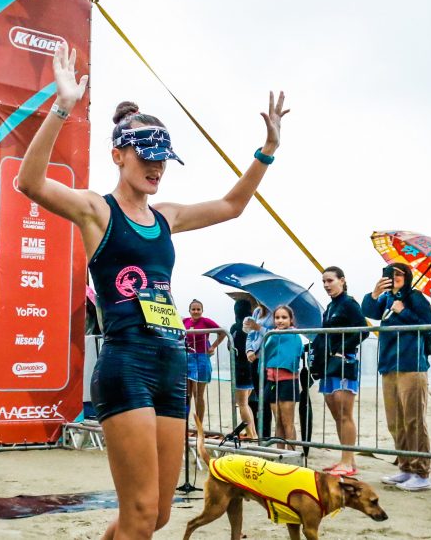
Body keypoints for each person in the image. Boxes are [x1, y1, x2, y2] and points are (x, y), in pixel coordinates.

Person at [18, 42, 287, 538]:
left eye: (164, 159)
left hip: (171, 362)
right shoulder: (97, 211)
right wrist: (61, 106)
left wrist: (266, 151)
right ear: (118, 155)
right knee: (140, 515)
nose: (157, 167)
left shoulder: (167, 217)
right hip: (127, 364)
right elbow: (29, 182)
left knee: (156, 515)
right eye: (147, 157)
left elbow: (232, 205)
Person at [362, 262, 431, 492]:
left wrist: (402, 311)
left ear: (408, 276)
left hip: (411, 364)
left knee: (414, 420)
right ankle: (405, 467)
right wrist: (374, 294)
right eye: (389, 274)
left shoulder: (415, 298)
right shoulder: (385, 299)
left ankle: (421, 471)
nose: (393, 277)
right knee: (395, 421)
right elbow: (368, 311)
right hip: (388, 365)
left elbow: (427, 325)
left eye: (398, 274)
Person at [310, 266, 367, 477]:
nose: (326, 285)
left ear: (342, 280)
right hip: (328, 365)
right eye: (323, 281)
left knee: (345, 413)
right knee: (336, 414)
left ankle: (347, 461)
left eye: (330, 280)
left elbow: (363, 330)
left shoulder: (349, 303)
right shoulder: (331, 306)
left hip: (344, 363)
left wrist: (342, 351)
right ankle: (347, 460)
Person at [250, 305, 303, 451]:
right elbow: (264, 354)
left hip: (287, 381)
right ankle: (280, 453)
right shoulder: (271, 335)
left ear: (291, 320)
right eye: (277, 317)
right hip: (272, 380)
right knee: (278, 421)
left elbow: (294, 355)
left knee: (288, 422)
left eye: (284, 317)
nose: (280, 321)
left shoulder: (294, 335)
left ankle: (291, 455)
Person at [183, 299, 226, 428]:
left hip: (202, 358)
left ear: (202, 310)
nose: (196, 312)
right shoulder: (184, 321)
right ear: (189, 310)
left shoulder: (206, 321)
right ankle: (184, 425)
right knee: (187, 394)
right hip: (188, 357)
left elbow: (222, 332)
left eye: (198, 309)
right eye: (193, 309)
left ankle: (199, 425)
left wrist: (213, 346)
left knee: (199, 395)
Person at [229, 297, 258, 439]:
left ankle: (252, 434)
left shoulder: (236, 327)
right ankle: (253, 432)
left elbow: (231, 346)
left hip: (240, 367)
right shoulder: (253, 325)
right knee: (246, 404)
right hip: (251, 367)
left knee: (242, 404)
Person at [245, 303, 275, 438]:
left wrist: (259, 327)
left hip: (267, 359)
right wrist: (249, 350)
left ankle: (266, 435)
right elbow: (250, 335)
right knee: (259, 399)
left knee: (266, 399)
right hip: (254, 359)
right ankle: (260, 434)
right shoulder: (257, 311)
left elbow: (273, 336)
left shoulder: (275, 312)